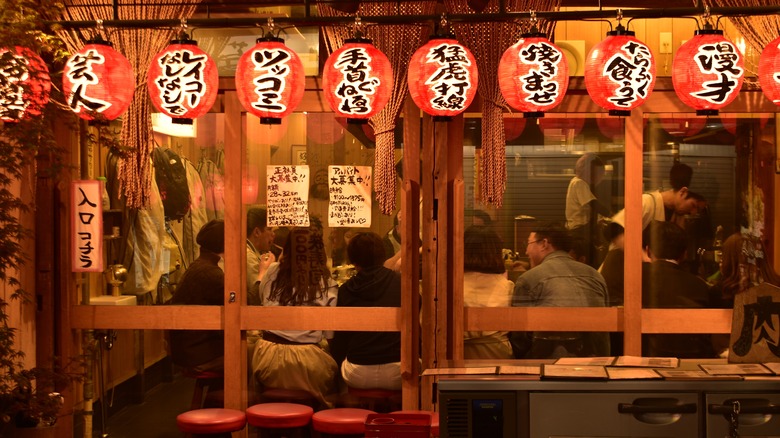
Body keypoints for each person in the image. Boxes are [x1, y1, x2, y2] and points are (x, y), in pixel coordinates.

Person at [251, 217, 339, 409]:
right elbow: (330, 335)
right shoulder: (326, 282)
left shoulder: (273, 272)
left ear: (287, 249)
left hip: (268, 359)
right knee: (336, 375)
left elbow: (262, 302)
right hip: (308, 363)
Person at [510, 222, 610, 358]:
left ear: (544, 244)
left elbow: (520, 337)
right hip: (594, 362)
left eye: (528, 243)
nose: (526, 251)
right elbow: (603, 332)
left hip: (546, 363)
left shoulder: (529, 279)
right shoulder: (595, 275)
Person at [329, 232, 402, 390]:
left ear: (353, 260)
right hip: (399, 370)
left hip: (357, 372)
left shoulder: (346, 290)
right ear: (383, 255)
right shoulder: (401, 283)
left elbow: (340, 338)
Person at [642, 220, 717, 358]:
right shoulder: (699, 285)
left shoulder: (635, 281)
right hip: (694, 360)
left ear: (648, 251)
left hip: (646, 358)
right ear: (684, 253)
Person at [169, 219, 225, 373]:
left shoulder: (200, 265)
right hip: (197, 353)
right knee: (252, 353)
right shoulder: (211, 273)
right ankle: (230, 397)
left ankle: (216, 395)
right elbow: (237, 302)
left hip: (186, 350)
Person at [462, 226, 514, 359]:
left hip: (456, 356)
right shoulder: (506, 286)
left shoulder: (449, 286)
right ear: (496, 252)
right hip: (498, 357)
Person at [609, 162, 700, 235]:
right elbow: (613, 229)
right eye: (693, 205)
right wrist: (643, 255)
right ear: (683, 192)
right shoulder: (647, 201)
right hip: (622, 257)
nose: (693, 212)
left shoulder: (676, 214)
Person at [565, 153, 610, 267]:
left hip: (580, 229)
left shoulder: (579, 183)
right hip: (580, 231)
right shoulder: (578, 183)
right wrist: (612, 214)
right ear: (588, 171)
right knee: (588, 263)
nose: (599, 177)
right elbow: (593, 204)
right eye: (598, 173)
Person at [246, 207, 276, 305]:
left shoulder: (253, 252)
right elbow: (259, 294)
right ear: (257, 232)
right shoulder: (248, 256)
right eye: (270, 229)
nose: (273, 234)